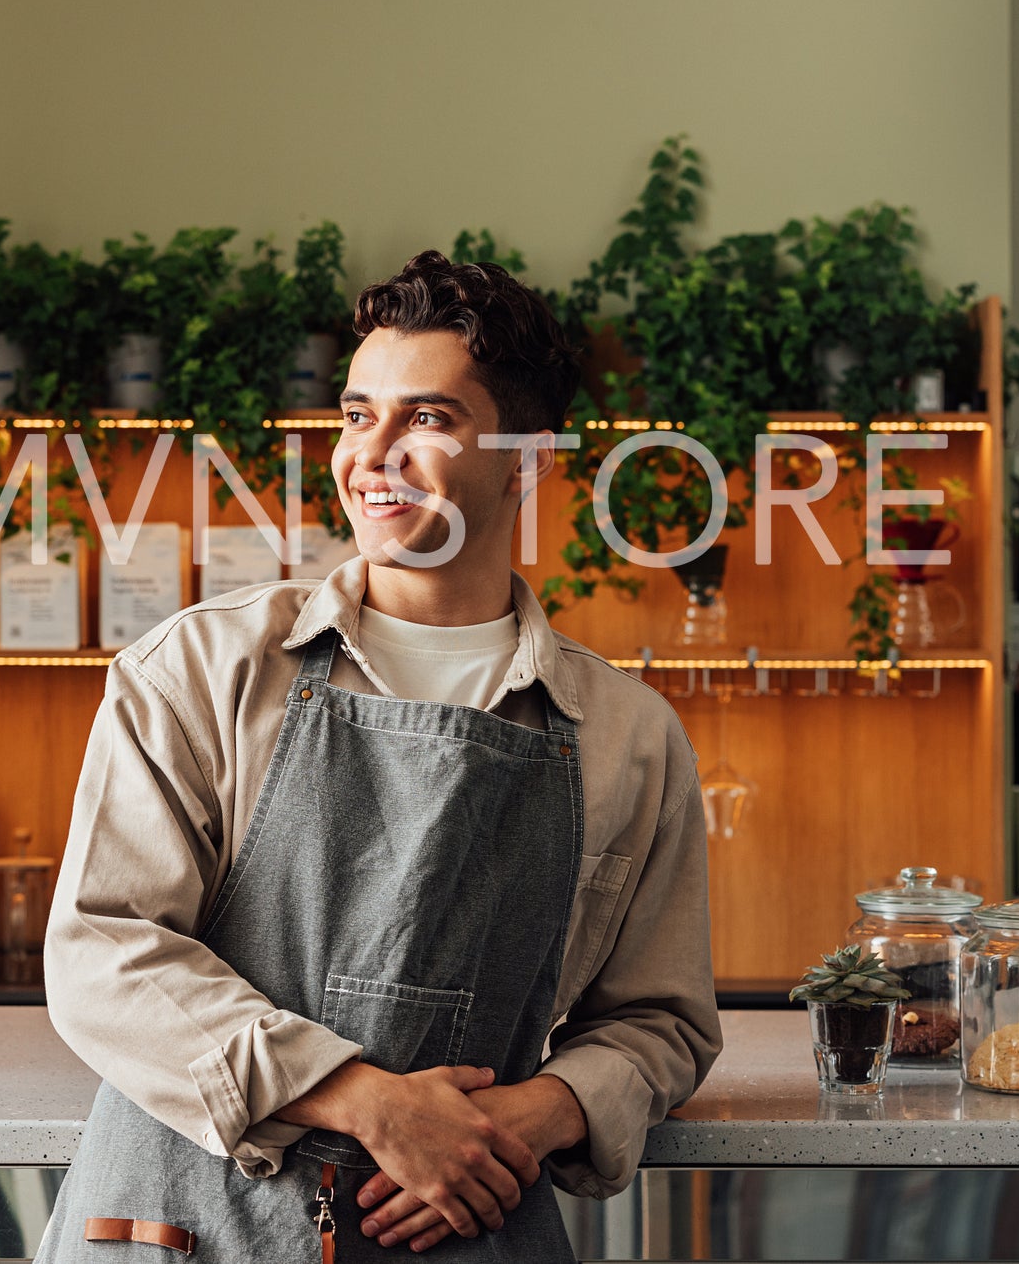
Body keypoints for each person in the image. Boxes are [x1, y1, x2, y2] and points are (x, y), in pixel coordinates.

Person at [36, 252, 721, 1262]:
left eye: (428, 420)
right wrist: (369, 1103)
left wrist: (533, 1116)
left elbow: (659, 1022)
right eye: (359, 415)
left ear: (528, 460)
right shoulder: (202, 665)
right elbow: (102, 949)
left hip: (459, 1222)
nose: (373, 454)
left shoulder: (626, 736)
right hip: (183, 1218)